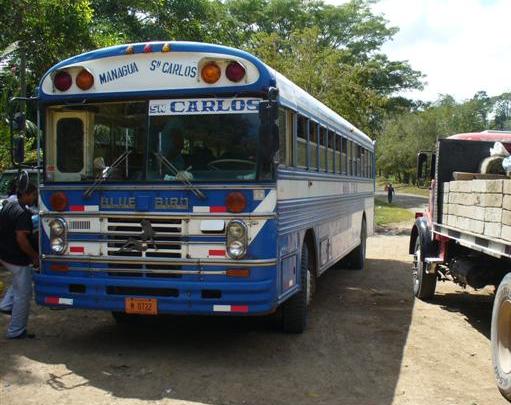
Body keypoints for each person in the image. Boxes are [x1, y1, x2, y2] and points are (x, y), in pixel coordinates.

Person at [0, 183, 39, 339]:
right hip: (16, 258)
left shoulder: (10, 205)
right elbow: (21, 239)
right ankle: (16, 331)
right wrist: (34, 256)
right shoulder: (23, 213)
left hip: (5, 254)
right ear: (27, 194)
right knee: (23, 294)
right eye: (34, 195)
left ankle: (6, 305)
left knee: (21, 278)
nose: (35, 198)